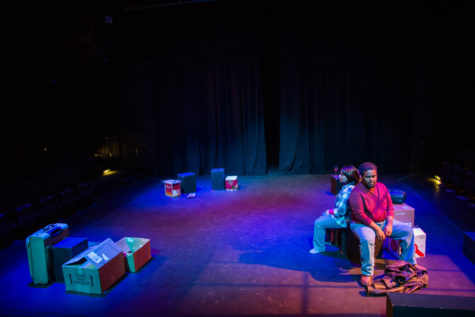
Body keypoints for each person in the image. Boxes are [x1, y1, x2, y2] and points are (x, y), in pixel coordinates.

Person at [349, 162, 416, 286]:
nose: (371, 179)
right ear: (361, 177)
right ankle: (367, 273)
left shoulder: (382, 187)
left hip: (382, 221)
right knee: (368, 239)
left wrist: (389, 224)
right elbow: (360, 215)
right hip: (362, 224)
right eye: (368, 177)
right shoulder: (356, 192)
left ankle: (407, 263)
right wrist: (377, 229)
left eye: (374, 176)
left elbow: (390, 208)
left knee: (408, 231)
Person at [309, 165, 361, 254]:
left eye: (342, 175)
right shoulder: (349, 187)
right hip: (346, 216)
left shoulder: (348, 191)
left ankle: (319, 248)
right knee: (325, 215)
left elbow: (341, 211)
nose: (339, 176)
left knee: (318, 223)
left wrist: (330, 211)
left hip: (345, 219)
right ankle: (330, 240)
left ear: (349, 177)